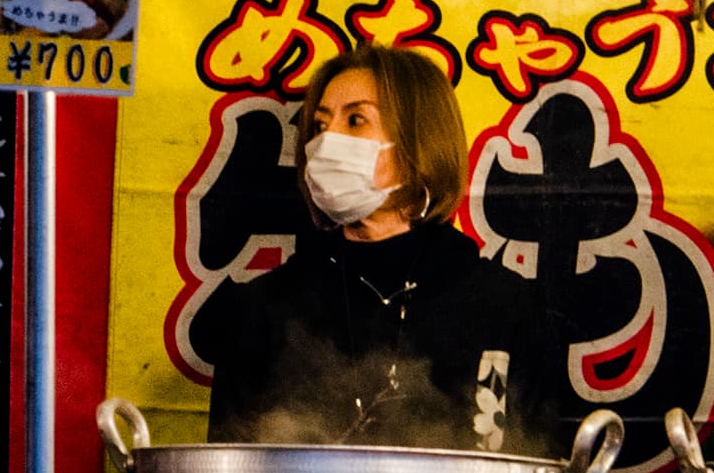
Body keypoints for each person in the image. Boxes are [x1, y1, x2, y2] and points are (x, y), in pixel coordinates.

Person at [202, 43, 550, 450]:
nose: (326, 143)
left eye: (355, 120)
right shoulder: (263, 309)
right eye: (318, 126)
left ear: (419, 141)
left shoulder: (505, 308)